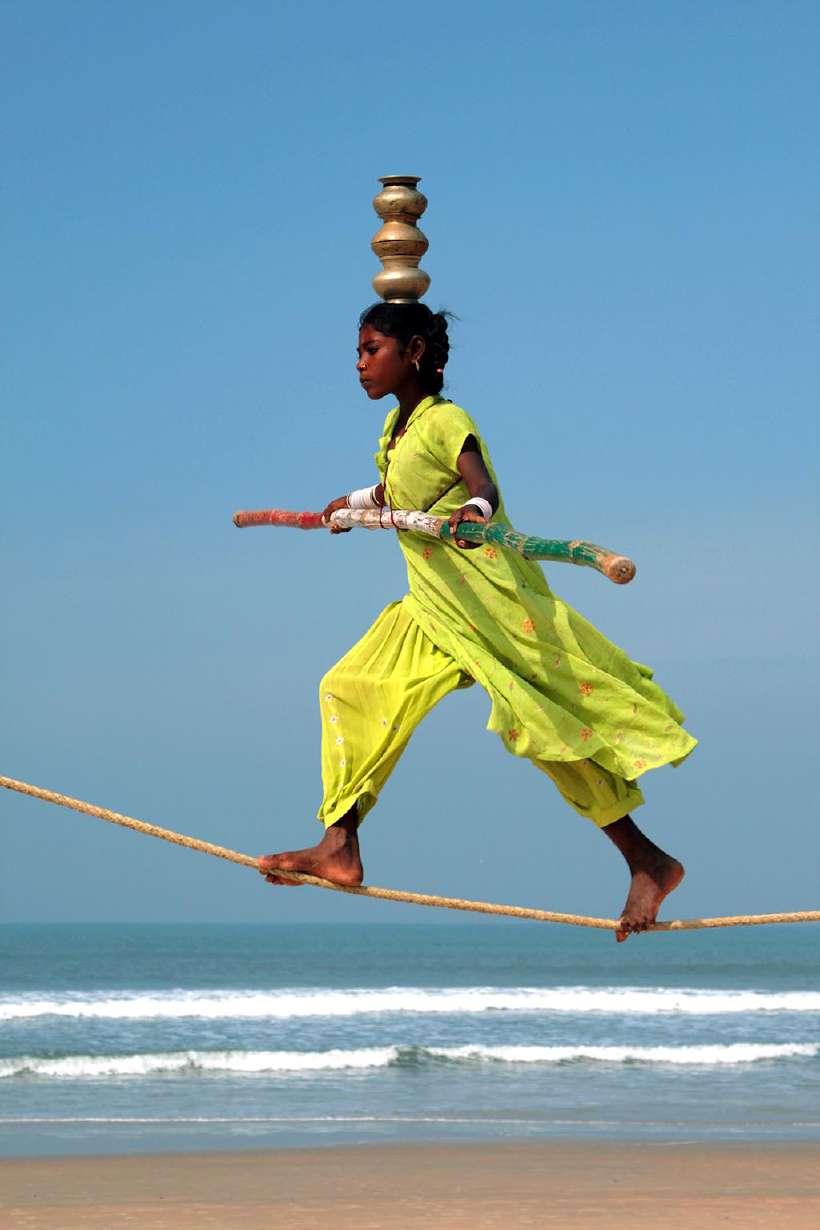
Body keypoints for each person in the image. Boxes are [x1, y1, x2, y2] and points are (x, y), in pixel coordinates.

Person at [260, 302, 697, 940]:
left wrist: (474, 511)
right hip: (430, 606)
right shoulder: (396, 430)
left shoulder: (446, 420)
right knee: (347, 688)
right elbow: (399, 493)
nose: (359, 363)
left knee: (543, 728)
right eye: (357, 350)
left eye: (371, 348)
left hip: (485, 604)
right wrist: (353, 504)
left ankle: (647, 861)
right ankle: (339, 846)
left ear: (412, 353)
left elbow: (479, 485)